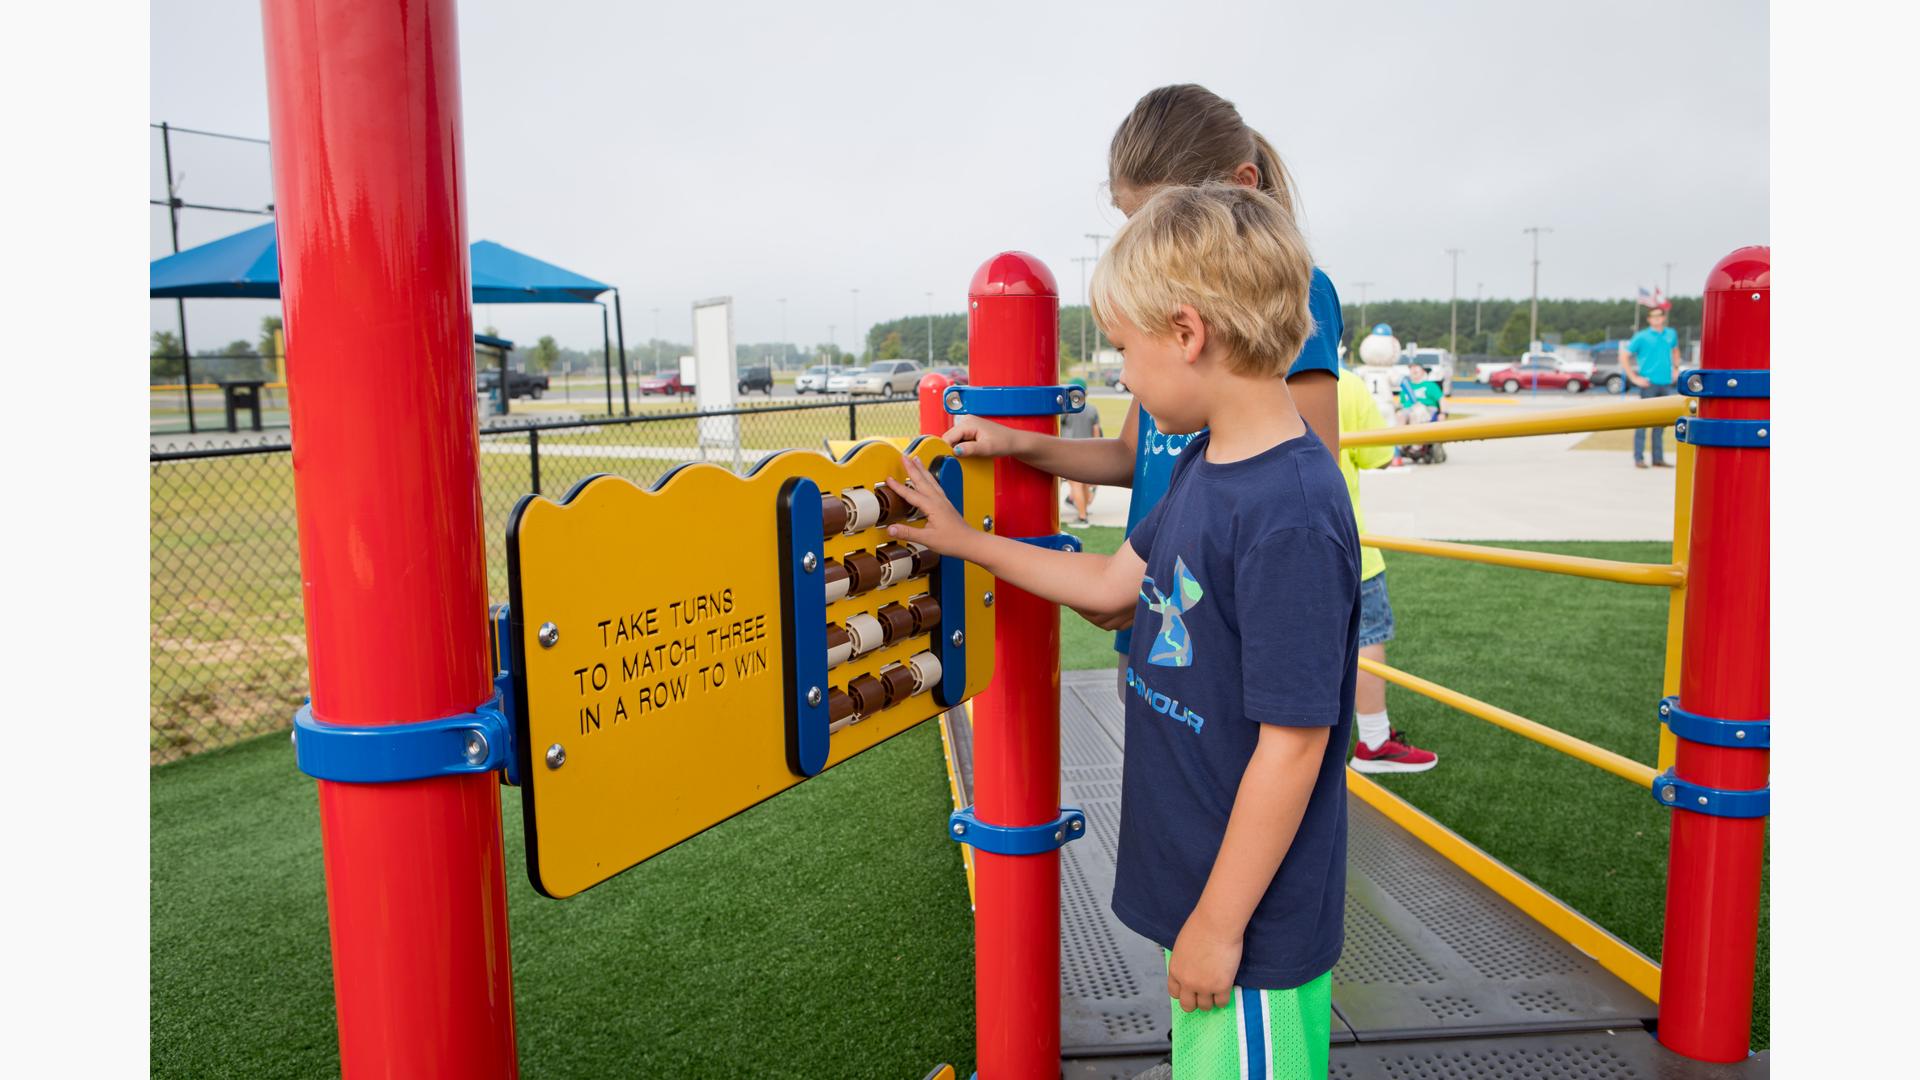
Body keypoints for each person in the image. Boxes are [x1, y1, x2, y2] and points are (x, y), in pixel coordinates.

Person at [886, 183, 1355, 1080]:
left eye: (1123, 351)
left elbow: (1295, 747)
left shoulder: (1290, 512)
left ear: (1187, 334)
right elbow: (1108, 582)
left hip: (1250, 923)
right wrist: (963, 541)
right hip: (1210, 885)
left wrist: (1218, 927)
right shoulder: (1207, 465)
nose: (1123, 378)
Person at [939, 84, 1345, 693]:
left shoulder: (1290, 297)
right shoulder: (1172, 377)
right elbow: (1133, 456)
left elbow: (1301, 478)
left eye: (1161, 223)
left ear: (1240, 186)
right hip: (1153, 593)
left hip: (1212, 608)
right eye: (1137, 226)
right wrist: (1016, 444)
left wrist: (1148, 577)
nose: (1142, 251)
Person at [1338, 366, 1439, 773]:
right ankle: (1375, 740)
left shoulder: (1251, 371)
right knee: (1367, 638)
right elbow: (1378, 457)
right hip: (1349, 544)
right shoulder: (1344, 381)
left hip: (1270, 543)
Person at [1622, 304, 1681, 468]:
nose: (1656, 319)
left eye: (1659, 316)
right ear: (1649, 319)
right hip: (1648, 384)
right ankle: (1638, 458)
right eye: (1653, 316)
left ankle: (1658, 458)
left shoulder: (1671, 334)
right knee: (1643, 422)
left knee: (1660, 423)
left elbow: (1675, 350)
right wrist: (1633, 378)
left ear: (1663, 318)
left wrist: (1676, 368)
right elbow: (1625, 355)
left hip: (1666, 384)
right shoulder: (1642, 337)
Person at [1060, 377, 1104, 526]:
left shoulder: (1064, 410)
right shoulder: (1092, 409)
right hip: (1089, 450)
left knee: (1075, 485)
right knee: (1084, 484)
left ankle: (1082, 517)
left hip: (1070, 451)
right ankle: (1084, 508)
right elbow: (1096, 431)